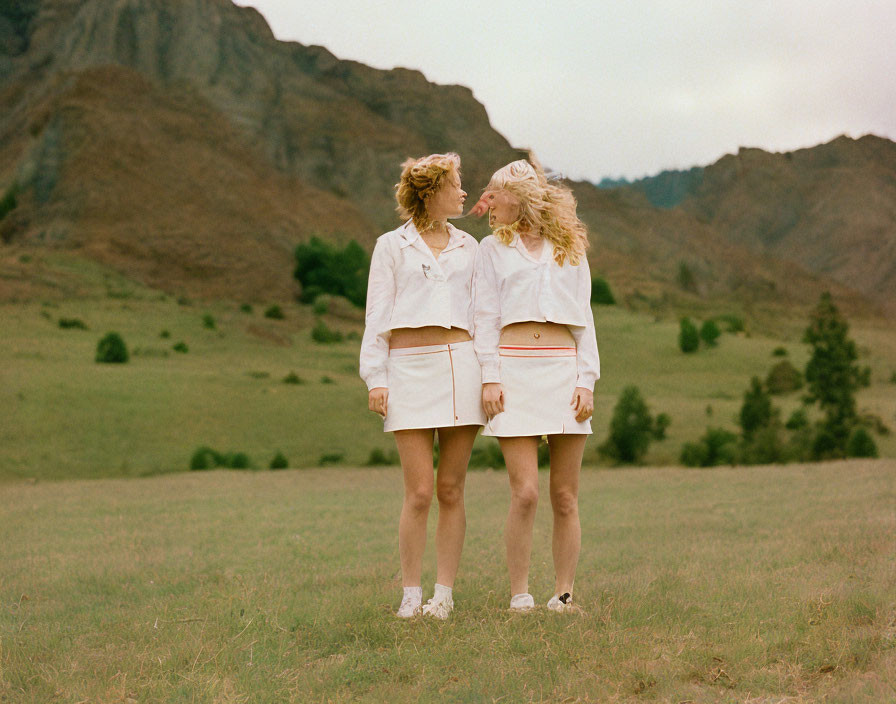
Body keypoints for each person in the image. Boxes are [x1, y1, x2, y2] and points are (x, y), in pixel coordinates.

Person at [360, 153, 485, 619]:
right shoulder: (390, 246)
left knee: (451, 488)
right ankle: (410, 595)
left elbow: (484, 315)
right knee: (418, 492)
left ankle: (443, 596)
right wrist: (376, 377)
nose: (464, 192)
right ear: (431, 192)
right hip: (407, 368)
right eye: (457, 184)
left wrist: (489, 374)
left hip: (461, 368)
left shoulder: (471, 247)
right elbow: (377, 315)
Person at [470, 158, 599, 612]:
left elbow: (585, 320)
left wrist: (587, 379)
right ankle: (519, 594)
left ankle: (564, 594)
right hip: (513, 371)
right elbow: (483, 317)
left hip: (564, 371)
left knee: (565, 496)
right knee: (524, 492)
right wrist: (489, 376)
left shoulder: (570, 248)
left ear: (519, 198)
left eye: (494, 193)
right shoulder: (491, 249)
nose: (486, 202)